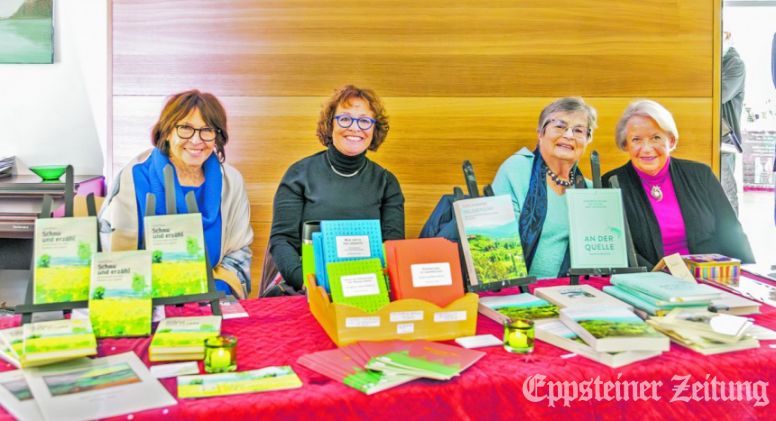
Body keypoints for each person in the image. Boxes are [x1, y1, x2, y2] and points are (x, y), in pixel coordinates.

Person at [100, 90, 253, 298]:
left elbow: (238, 252)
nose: (197, 140)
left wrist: (212, 293)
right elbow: (110, 252)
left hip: (211, 297)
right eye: (185, 129)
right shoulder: (134, 178)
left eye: (207, 130)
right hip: (142, 298)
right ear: (167, 131)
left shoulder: (231, 181)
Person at [269, 85, 405, 291]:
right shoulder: (299, 175)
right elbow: (282, 241)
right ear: (330, 124)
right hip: (307, 287)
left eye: (364, 120)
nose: (355, 127)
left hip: (366, 288)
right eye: (345, 118)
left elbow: (392, 246)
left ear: (374, 129)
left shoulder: (386, 182)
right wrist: (309, 284)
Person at [602, 99, 755, 268]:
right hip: (648, 281)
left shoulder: (700, 175)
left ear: (671, 141)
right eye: (636, 140)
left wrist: (748, 272)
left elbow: (731, 231)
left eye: (656, 138)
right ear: (626, 145)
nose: (646, 148)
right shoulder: (611, 183)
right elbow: (615, 249)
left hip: (707, 278)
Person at [492, 97, 595, 279]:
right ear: (540, 133)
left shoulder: (588, 190)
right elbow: (497, 244)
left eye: (578, 130)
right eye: (559, 126)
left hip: (572, 293)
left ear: (587, 140)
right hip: (518, 291)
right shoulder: (517, 169)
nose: (569, 135)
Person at [721, 30, 746, 214]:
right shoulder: (714, 62)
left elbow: (718, 94)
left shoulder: (735, 64)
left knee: (726, 192)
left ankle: (733, 238)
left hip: (724, 141)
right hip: (710, 137)